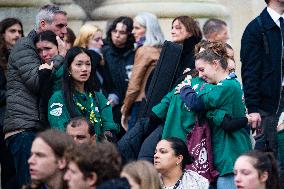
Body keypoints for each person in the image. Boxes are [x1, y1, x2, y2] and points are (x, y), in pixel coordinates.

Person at [3, 4, 68, 186]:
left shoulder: (45, 46)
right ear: (42, 24)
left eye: (65, 26)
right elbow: (37, 82)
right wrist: (60, 56)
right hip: (24, 128)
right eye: (60, 26)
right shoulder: (24, 46)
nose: (64, 31)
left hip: (37, 127)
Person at [180, 42, 252, 189]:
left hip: (230, 157)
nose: (200, 75)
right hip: (227, 158)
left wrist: (185, 88)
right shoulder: (227, 85)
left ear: (215, 64)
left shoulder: (227, 86)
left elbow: (196, 103)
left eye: (202, 69)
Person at [241, 0, 284, 156]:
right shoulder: (255, 28)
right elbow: (250, 71)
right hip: (268, 107)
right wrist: (253, 108)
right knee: (269, 158)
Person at [48, 47, 119, 141]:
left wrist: (105, 139)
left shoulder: (99, 98)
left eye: (88, 64)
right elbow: (60, 132)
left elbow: (109, 128)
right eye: (79, 64)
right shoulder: (58, 98)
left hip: (98, 153)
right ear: (69, 69)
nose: (84, 69)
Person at [121, 12, 165, 131]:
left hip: (140, 105)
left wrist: (125, 109)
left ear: (149, 30)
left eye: (137, 28)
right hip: (157, 105)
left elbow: (134, 84)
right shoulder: (163, 50)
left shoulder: (144, 51)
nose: (133, 32)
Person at [0, 17, 23, 189]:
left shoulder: (23, 57)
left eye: (20, 31)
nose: (17, 35)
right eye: (12, 31)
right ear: (2, 34)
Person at [103, 16, 135, 137]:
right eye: (114, 31)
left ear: (129, 35)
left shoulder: (135, 53)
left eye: (122, 32)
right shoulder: (104, 52)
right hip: (110, 105)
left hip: (129, 107)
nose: (117, 35)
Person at [74, 23, 107, 93]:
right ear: (85, 42)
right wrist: (94, 53)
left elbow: (110, 85)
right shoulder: (76, 58)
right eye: (97, 40)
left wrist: (113, 96)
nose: (101, 43)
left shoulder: (101, 58)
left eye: (101, 39)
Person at [171, 16, 202, 85]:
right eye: (172, 28)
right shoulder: (172, 52)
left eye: (177, 28)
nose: (172, 32)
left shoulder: (198, 52)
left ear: (190, 32)